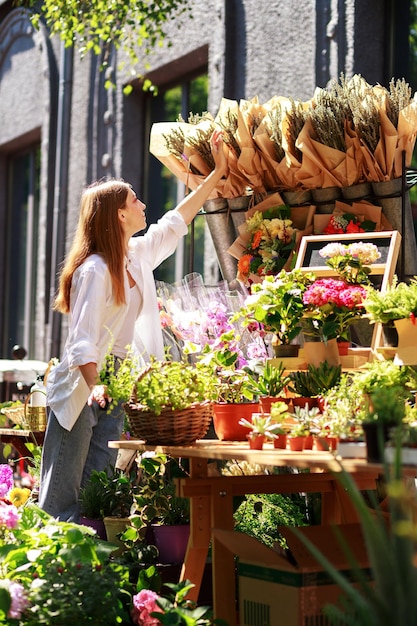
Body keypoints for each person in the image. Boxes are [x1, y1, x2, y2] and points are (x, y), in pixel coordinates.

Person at [38, 130, 227, 522]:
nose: (144, 205)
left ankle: (92, 573)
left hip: (118, 378)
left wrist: (216, 174)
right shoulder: (95, 270)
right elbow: (82, 342)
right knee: (62, 496)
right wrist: (98, 386)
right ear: (119, 215)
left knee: (99, 491)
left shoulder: (135, 255)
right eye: (135, 201)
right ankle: (48, 575)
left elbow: (176, 222)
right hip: (85, 382)